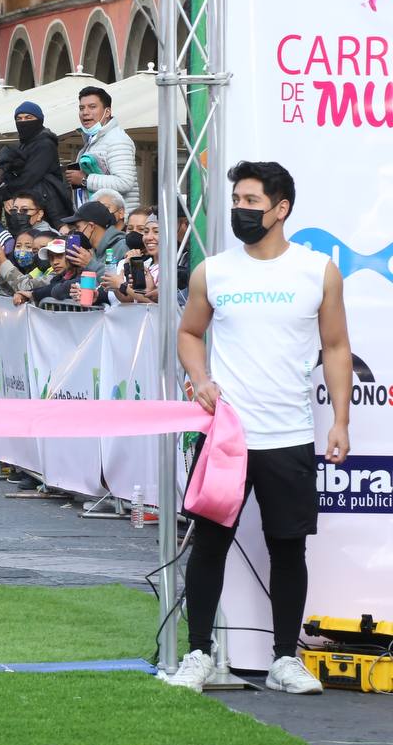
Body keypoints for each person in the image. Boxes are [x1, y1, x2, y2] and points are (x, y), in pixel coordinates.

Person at [167, 161, 351, 695]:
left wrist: (341, 419)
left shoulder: (318, 271)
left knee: (288, 548)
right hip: (226, 436)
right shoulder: (213, 271)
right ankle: (199, 652)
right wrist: (199, 377)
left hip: (290, 434)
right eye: (237, 201)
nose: (241, 210)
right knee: (209, 544)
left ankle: (284, 658)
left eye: (251, 201)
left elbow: (337, 347)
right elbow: (189, 334)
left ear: (280, 208)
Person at [64, 86, 140, 212]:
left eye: (92, 107)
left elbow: (124, 182)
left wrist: (84, 180)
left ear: (107, 112)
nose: (85, 112)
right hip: (96, 221)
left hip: (116, 222)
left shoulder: (117, 140)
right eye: (81, 108)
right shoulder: (91, 141)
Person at [0, 101, 72, 221]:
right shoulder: (24, 144)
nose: (23, 121)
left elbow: (29, 177)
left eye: (29, 117)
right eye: (19, 118)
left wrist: (6, 193)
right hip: (29, 206)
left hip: (46, 210)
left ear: (40, 119)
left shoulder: (45, 144)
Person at [61, 200, 127, 278]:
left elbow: (121, 282)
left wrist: (90, 264)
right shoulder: (93, 251)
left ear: (91, 226)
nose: (76, 232)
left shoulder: (122, 246)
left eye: (78, 228)